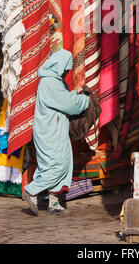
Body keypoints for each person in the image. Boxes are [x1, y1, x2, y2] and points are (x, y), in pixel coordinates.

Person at [22, 48, 89, 216]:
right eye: (66, 68)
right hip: (50, 132)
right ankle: (31, 191)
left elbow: (64, 99)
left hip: (54, 130)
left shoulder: (54, 81)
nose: (67, 71)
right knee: (56, 165)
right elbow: (68, 104)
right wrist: (84, 99)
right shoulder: (50, 82)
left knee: (57, 163)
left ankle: (53, 202)